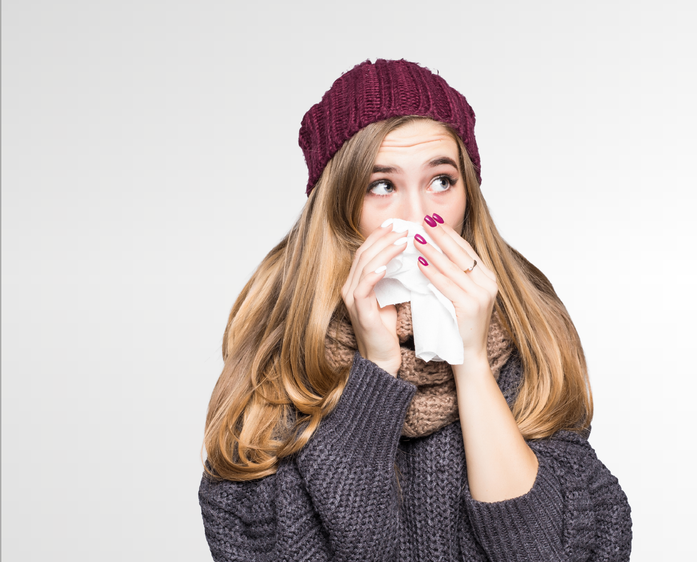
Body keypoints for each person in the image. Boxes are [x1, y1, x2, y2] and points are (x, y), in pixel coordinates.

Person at [197, 58, 633, 561]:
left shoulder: (530, 324)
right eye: (381, 186)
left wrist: (470, 359)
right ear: (337, 205)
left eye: (441, 181)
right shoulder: (279, 357)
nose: (413, 216)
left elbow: (562, 551)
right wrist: (376, 371)